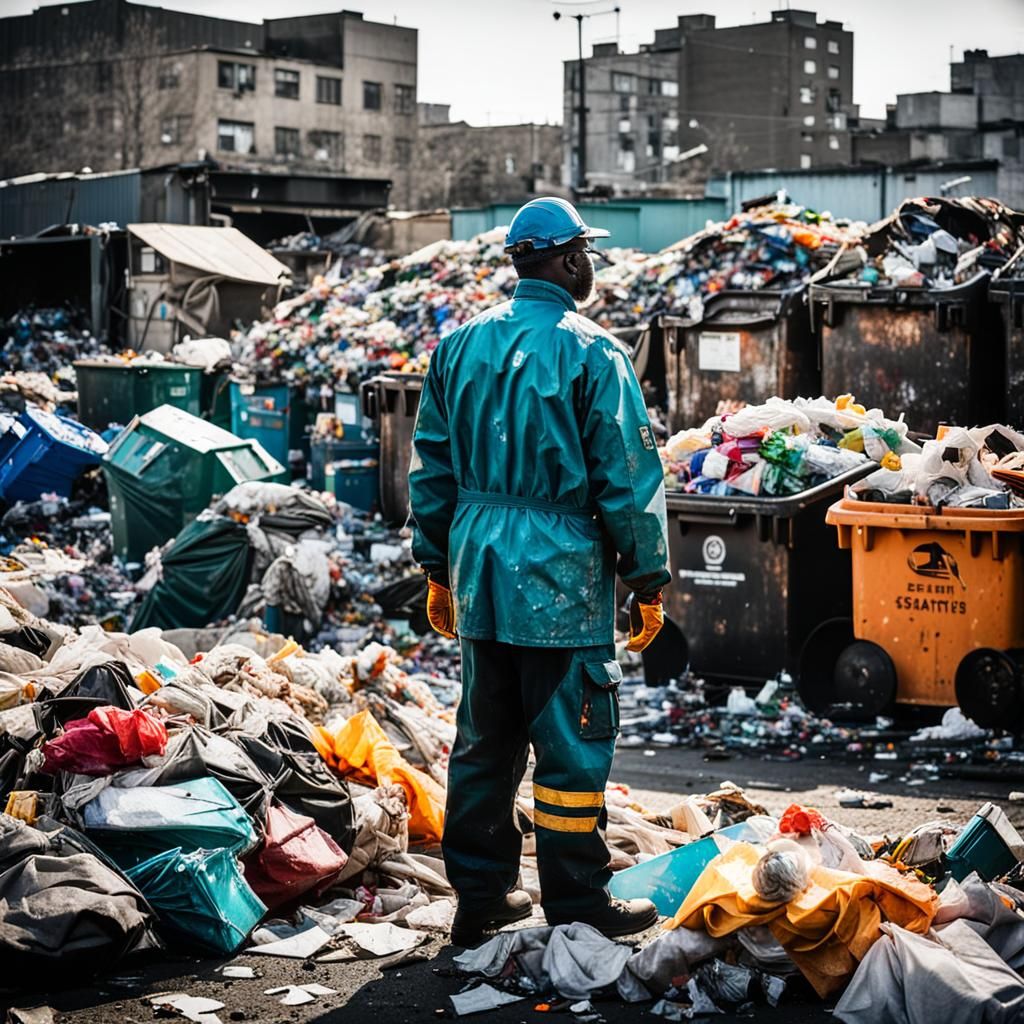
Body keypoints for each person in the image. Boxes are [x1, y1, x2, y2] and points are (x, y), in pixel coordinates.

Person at [409, 196, 671, 948]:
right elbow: (626, 479)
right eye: (584, 252)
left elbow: (431, 470)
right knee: (570, 743)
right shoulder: (594, 352)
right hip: (561, 577)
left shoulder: (457, 347)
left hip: (479, 568)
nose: (591, 263)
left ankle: (482, 898)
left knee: (485, 740)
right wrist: (647, 580)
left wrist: (436, 566)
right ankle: (578, 900)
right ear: (565, 260)